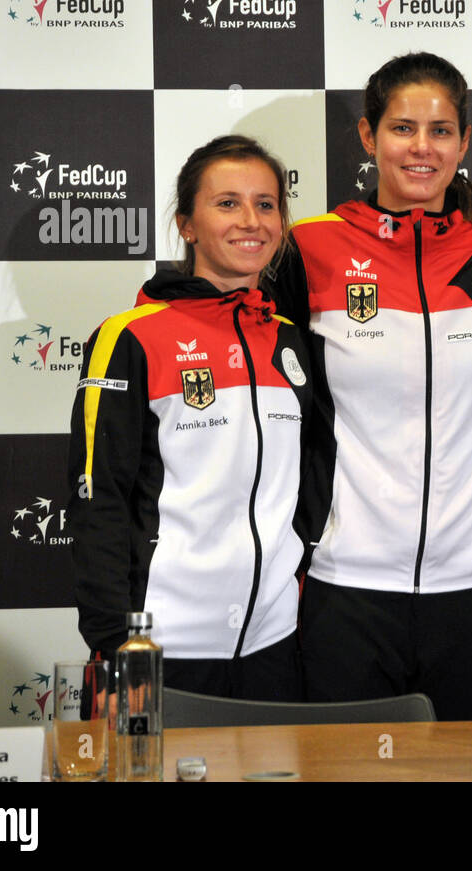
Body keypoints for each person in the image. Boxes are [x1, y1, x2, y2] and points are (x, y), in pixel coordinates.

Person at [274, 52, 472, 720]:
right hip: (347, 585)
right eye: (403, 128)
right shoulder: (310, 247)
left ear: (465, 141)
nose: (423, 147)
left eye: (441, 130)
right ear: (368, 136)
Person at [69, 135, 311, 701]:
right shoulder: (130, 336)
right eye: (227, 203)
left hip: (276, 642)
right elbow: (97, 498)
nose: (251, 220)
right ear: (186, 224)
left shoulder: (292, 340)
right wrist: (112, 645)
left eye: (266, 203)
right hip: (161, 649)